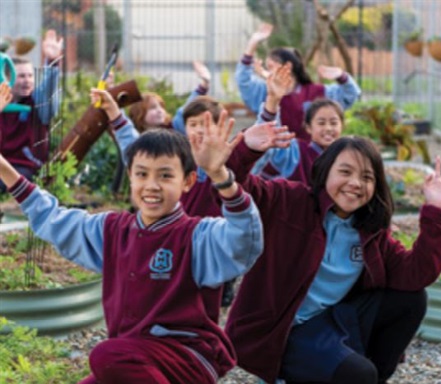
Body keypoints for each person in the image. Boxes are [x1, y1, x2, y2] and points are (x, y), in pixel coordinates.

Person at [0, 112, 264, 384]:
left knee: (107, 356)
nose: (151, 185)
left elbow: (245, 241)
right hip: (135, 362)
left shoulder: (197, 236)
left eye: (165, 175)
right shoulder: (112, 231)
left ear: (189, 181)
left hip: (189, 360)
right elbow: (53, 218)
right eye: (141, 174)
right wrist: (5, 168)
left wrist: (223, 178)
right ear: (130, 179)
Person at [224, 136, 441, 384]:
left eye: (367, 176)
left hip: (327, 322)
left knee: (411, 298)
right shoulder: (289, 202)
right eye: (345, 172)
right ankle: (278, 380)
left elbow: (416, 273)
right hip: (278, 331)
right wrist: (248, 148)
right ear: (325, 172)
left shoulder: (369, 230)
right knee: (357, 378)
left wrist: (435, 213)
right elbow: (236, 186)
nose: (355, 183)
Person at [93, 87, 293, 310]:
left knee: (203, 300)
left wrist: (271, 104)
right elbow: (133, 148)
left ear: (220, 129)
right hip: (174, 238)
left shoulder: (224, 160)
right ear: (184, 127)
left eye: (206, 124)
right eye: (193, 124)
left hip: (210, 243)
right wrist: (113, 110)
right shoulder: (176, 160)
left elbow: (252, 143)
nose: (199, 130)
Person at [235, 23, 360, 141]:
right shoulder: (266, 93)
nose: (267, 71)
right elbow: (243, 81)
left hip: (313, 158)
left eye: (270, 66)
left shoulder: (317, 92)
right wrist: (252, 45)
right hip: (279, 159)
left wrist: (342, 76)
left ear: (287, 67)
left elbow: (350, 95)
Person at [252, 65, 344, 184]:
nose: (328, 128)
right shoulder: (296, 153)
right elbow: (270, 133)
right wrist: (273, 101)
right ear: (308, 128)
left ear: (342, 125)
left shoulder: (345, 155)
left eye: (334, 123)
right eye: (321, 123)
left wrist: (342, 76)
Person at [0, 29, 63, 192]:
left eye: (30, 75)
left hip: (26, 168)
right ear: (7, 79)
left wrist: (52, 62)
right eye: (21, 76)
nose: (27, 81)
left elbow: (48, 91)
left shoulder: (37, 102)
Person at [128, 60, 212, 134]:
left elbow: (187, 109)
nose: (159, 110)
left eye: (161, 106)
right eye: (152, 107)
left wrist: (204, 83)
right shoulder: (135, 138)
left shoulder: (174, 128)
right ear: (139, 113)